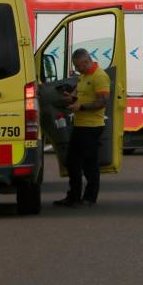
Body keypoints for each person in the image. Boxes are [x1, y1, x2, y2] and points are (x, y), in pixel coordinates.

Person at [55, 48, 111, 207]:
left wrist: (81, 107)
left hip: (92, 126)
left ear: (86, 61)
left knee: (89, 164)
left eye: (78, 66)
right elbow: (80, 95)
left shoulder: (100, 76)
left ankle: (89, 198)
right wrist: (71, 97)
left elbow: (103, 102)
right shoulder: (84, 76)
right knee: (72, 162)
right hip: (80, 125)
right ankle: (73, 196)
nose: (77, 69)